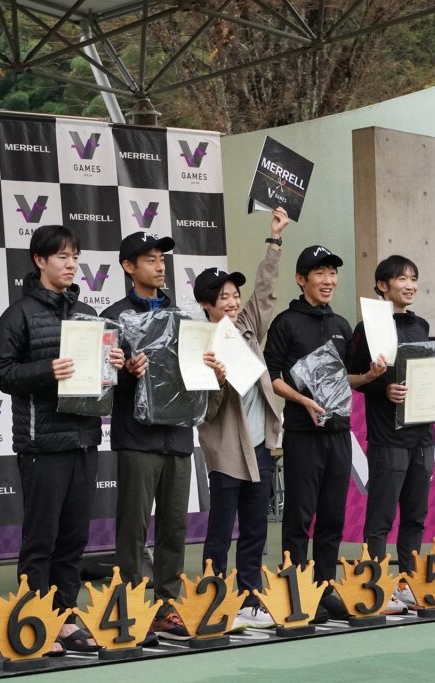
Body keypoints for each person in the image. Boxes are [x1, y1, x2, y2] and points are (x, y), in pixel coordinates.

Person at [0, 224, 124, 655]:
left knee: (73, 540)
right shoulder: (19, 314)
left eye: (75, 257)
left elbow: (100, 380)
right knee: (41, 540)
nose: (71, 265)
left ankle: (64, 618)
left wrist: (113, 363)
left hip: (83, 439)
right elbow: (1, 373)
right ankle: (35, 622)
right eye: (63, 257)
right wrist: (47, 370)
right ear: (40, 261)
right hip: (41, 445)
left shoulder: (87, 313)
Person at [193, 208, 288, 630]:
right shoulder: (200, 344)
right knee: (220, 531)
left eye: (234, 295)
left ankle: (251, 599)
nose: (232, 302)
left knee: (255, 528)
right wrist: (216, 380)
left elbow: (265, 292)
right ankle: (213, 601)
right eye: (223, 298)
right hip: (227, 451)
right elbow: (204, 411)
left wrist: (275, 240)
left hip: (261, 446)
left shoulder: (247, 327)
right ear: (206, 305)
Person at [102, 231, 194, 641]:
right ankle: (131, 609)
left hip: (178, 437)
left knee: (174, 527)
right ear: (128, 267)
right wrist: (125, 372)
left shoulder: (182, 316)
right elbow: (99, 384)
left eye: (162, 259)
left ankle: (167, 607)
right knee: (133, 529)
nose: (159, 266)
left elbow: (193, 376)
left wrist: (210, 369)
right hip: (137, 438)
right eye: (150, 259)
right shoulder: (113, 317)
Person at [347, 255, 435, 611]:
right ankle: (376, 585)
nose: (410, 285)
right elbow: (351, 377)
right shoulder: (368, 327)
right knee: (380, 519)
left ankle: (408, 581)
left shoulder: (421, 325)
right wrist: (383, 389)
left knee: (416, 516)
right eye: (402, 279)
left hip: (423, 437)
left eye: (414, 278)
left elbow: (425, 370)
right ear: (382, 285)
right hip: (388, 438)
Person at [263, 243, 353, 623]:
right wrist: (303, 401)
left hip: (339, 432)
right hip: (302, 433)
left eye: (332, 273)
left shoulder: (342, 325)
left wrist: (373, 374)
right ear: (301, 280)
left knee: (333, 516)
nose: (328, 280)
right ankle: (296, 590)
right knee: (299, 516)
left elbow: (350, 377)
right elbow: (271, 376)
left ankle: (325, 587)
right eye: (319, 273)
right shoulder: (286, 323)